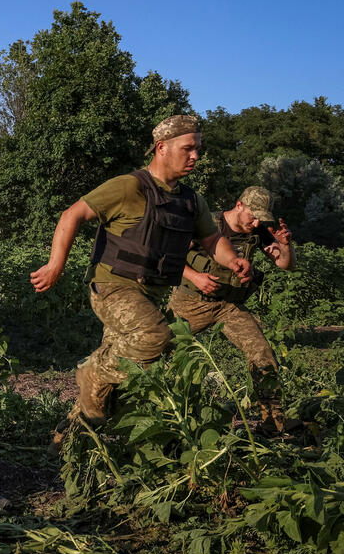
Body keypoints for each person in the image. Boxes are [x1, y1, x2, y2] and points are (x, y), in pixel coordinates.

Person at [29, 116, 252, 449]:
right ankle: (91, 371)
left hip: (151, 296)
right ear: (162, 148)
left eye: (198, 150)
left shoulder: (191, 201)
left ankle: (70, 436)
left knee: (120, 384)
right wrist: (54, 266)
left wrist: (232, 259)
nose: (195, 157)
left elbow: (211, 240)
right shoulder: (130, 187)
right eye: (188, 149)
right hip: (113, 287)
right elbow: (72, 215)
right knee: (153, 336)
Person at [169, 186, 296, 433]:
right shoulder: (207, 224)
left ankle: (274, 423)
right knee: (160, 354)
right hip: (190, 302)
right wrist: (195, 277)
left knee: (262, 355)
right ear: (239, 205)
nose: (257, 222)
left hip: (228, 307)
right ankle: (170, 420)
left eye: (262, 217)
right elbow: (169, 255)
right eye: (253, 215)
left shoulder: (258, 231)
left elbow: (284, 264)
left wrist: (285, 245)